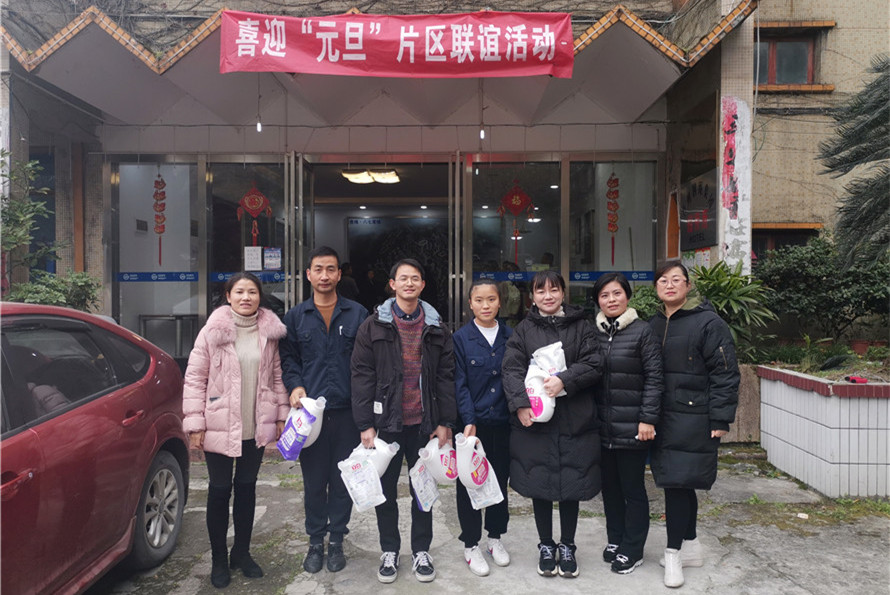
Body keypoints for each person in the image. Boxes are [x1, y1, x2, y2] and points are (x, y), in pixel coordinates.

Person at [351, 258, 456, 584]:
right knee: (384, 491)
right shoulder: (373, 326)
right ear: (392, 284)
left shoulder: (437, 328)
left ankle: (421, 550)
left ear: (422, 285)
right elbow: (362, 375)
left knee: (423, 489)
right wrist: (365, 424)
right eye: (403, 278)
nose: (409, 283)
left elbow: (446, 377)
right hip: (387, 424)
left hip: (425, 423)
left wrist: (445, 421)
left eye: (415, 278)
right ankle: (390, 550)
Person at [182, 272, 289, 589]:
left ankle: (241, 553)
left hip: (255, 425)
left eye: (252, 292)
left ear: (259, 297)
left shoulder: (269, 333)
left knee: (246, 488)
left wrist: (281, 415)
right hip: (219, 423)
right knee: (218, 491)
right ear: (228, 296)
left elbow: (278, 377)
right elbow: (195, 378)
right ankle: (218, 559)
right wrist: (195, 422)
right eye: (239, 292)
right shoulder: (212, 332)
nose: (246, 297)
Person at [502, 270, 602, 579]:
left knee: (571, 484)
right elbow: (511, 369)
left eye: (554, 290)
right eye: (541, 291)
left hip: (575, 418)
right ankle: (546, 544)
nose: (548, 296)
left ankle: (568, 545)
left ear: (563, 293)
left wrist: (564, 380)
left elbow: (595, 363)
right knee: (541, 485)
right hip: (538, 420)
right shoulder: (523, 330)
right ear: (532, 297)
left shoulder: (582, 326)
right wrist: (520, 404)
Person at [648, 262, 739, 588]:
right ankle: (691, 546)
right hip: (662, 417)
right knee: (681, 483)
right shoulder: (654, 323)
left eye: (676, 280)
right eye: (663, 280)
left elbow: (725, 373)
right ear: (656, 287)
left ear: (688, 286)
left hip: (694, 417)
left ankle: (673, 553)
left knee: (677, 484)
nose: (670, 285)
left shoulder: (708, 323)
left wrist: (720, 417)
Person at [279, 247, 369, 574]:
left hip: (347, 412)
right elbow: (289, 359)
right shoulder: (295, 317)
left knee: (342, 480)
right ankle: (315, 541)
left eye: (331, 269)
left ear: (339, 274)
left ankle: (337, 541)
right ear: (308, 274)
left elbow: (367, 364)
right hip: (310, 417)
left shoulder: (358, 314)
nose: (325, 276)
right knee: (314, 482)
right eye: (318, 269)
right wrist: (295, 385)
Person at [591, 272, 663, 575]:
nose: (611, 300)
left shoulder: (643, 332)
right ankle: (615, 538)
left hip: (633, 426)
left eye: (617, 293)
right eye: (605, 295)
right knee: (609, 488)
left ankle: (633, 548)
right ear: (598, 301)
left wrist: (647, 418)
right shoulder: (593, 333)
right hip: (601, 427)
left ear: (628, 297)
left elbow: (655, 378)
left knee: (632, 489)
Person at [452, 280, 513, 576]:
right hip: (472, 427)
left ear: (500, 302)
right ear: (470, 304)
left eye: (491, 299)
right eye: (479, 300)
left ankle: (495, 538)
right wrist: (468, 420)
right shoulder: (460, 338)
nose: (485, 305)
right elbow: (459, 383)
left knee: (500, 482)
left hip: (503, 423)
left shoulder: (511, 336)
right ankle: (471, 544)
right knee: (469, 484)